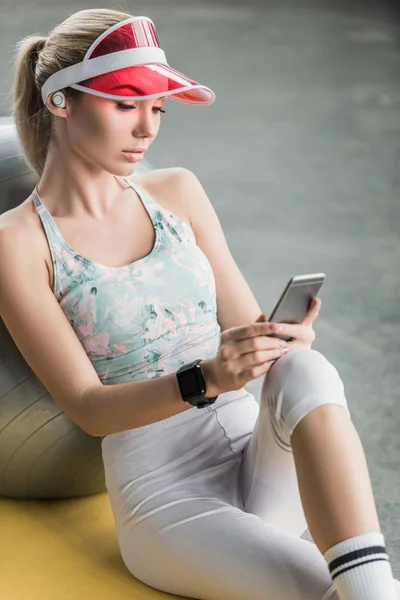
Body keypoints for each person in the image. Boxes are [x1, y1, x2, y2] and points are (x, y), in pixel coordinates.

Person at [0, 8, 398, 600]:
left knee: (308, 367)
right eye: (125, 103)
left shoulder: (177, 191)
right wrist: (208, 376)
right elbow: (88, 408)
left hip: (258, 456)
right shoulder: (18, 241)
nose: (147, 129)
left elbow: (245, 327)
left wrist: (277, 340)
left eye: (156, 108)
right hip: (168, 498)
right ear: (60, 101)